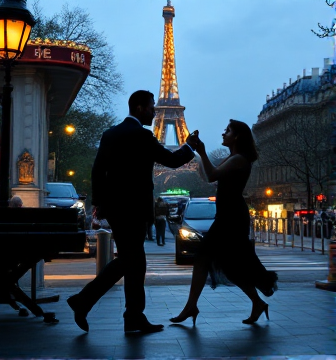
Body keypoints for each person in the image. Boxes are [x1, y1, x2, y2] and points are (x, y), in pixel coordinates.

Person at [67, 90, 198, 334]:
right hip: (135, 210)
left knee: (134, 262)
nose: (154, 113)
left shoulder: (110, 134)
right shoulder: (142, 135)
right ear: (139, 108)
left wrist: (100, 203)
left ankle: (130, 315)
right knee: (131, 261)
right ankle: (87, 302)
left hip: (116, 209)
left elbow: (97, 171)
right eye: (151, 108)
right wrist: (189, 145)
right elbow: (170, 160)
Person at [170, 120, 278, 326]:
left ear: (237, 137)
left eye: (227, 131)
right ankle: (257, 302)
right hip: (229, 214)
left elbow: (211, 176)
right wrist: (195, 151)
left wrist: (200, 151)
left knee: (204, 258)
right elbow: (206, 174)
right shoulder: (234, 158)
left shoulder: (239, 159)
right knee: (231, 265)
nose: (223, 133)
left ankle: (191, 306)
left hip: (231, 216)